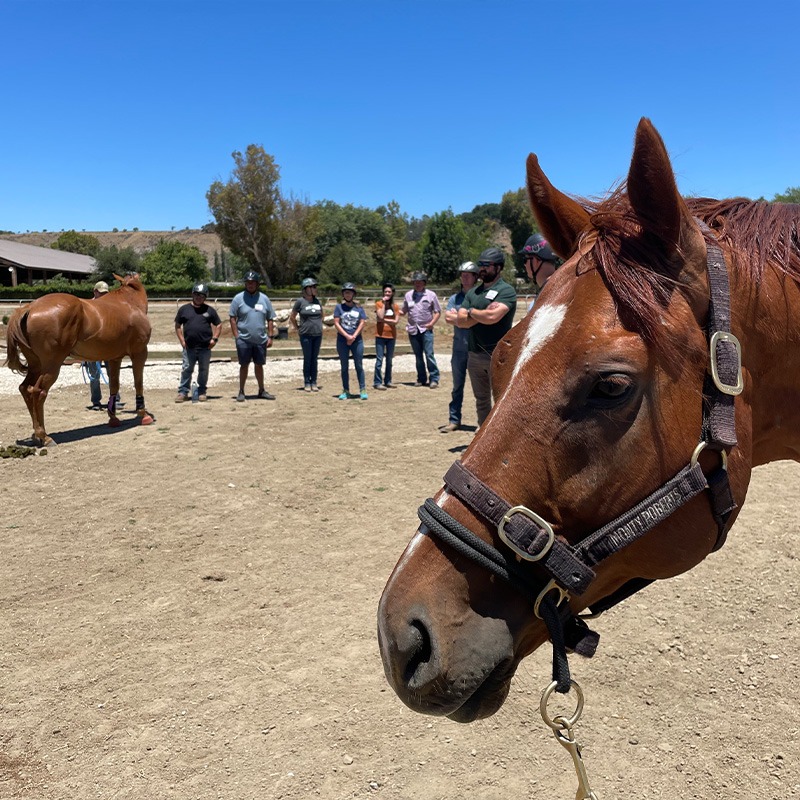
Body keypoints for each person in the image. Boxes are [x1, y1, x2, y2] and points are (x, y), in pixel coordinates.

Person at [457, 247, 517, 427]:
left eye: (486, 265)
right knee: (481, 400)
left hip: (497, 355)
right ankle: (483, 434)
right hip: (474, 355)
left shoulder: (506, 291)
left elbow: (492, 318)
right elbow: (461, 321)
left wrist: (470, 312)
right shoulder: (473, 292)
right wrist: (478, 313)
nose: (481, 269)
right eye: (480, 264)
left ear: (498, 268)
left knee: (501, 401)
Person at [441, 261, 480, 432]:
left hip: (476, 348)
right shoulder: (454, 299)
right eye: (462, 274)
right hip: (458, 349)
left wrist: (460, 318)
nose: (464, 277)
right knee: (457, 386)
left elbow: (455, 317)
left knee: (481, 389)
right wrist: (467, 318)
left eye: (468, 274)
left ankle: (483, 422)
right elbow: (447, 318)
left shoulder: (479, 297)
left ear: (475, 277)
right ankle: (454, 419)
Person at [229, 270, 277, 401]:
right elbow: (232, 317)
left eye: (252, 283)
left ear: (257, 284)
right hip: (243, 339)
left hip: (260, 339)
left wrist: (270, 336)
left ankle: (261, 390)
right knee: (244, 365)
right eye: (248, 283)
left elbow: (270, 318)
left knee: (259, 365)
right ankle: (241, 391)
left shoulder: (264, 299)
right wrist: (236, 335)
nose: (250, 285)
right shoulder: (238, 298)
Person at [174, 283, 222, 403]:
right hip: (189, 347)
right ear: (192, 295)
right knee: (186, 369)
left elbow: (219, 324)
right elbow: (177, 325)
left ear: (205, 296)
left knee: (204, 370)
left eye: (201, 295)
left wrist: (214, 339)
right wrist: (181, 340)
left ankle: (202, 391)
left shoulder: (209, 310)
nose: (198, 297)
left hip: (205, 348)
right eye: (196, 294)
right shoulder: (184, 309)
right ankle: (183, 392)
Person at [84, 281, 122, 410]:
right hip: (92, 346)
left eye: (105, 293)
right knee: (94, 375)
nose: (104, 295)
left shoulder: (110, 307)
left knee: (112, 372)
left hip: (108, 345)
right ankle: (96, 401)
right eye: (101, 293)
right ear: (95, 292)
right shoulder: (87, 306)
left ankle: (115, 398)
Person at [400, 271, 441, 388]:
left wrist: (432, 323)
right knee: (418, 356)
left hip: (426, 329)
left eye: (420, 282)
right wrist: (393, 311)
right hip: (413, 329)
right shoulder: (408, 295)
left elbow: (437, 311)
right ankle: (421, 378)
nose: (417, 284)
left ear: (424, 283)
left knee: (429, 354)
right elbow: (404, 310)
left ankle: (434, 378)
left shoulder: (431, 295)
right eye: (415, 282)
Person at [333, 282, 368, 400]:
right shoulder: (338, 307)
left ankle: (362, 389)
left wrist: (353, 336)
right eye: (346, 292)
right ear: (343, 294)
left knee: (359, 365)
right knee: (344, 366)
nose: (348, 294)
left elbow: (362, 322)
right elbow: (337, 323)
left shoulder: (359, 308)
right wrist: (347, 336)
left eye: (350, 292)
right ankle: (346, 390)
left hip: (357, 340)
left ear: (353, 294)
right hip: (342, 340)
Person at [290, 277, 324, 392]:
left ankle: (314, 381)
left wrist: (318, 325)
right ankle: (307, 382)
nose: (315, 289)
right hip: (305, 334)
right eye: (313, 287)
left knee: (315, 359)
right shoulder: (300, 302)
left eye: (315, 287)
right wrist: (298, 329)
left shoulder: (317, 301)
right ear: (306, 289)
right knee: (307, 358)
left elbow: (321, 315)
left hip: (317, 334)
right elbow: (292, 317)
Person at [519, 233, 560, 308]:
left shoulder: (545, 300)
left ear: (535, 261)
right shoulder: (563, 289)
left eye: (525, 260)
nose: (524, 265)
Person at [373, 283, 399, 390]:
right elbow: (380, 315)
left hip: (391, 336)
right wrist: (384, 303)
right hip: (380, 335)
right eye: (385, 291)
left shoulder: (396, 306)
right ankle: (377, 382)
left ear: (392, 293)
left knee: (389, 359)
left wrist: (383, 320)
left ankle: (388, 380)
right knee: (379, 359)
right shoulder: (379, 304)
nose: (387, 293)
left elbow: (396, 321)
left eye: (389, 292)